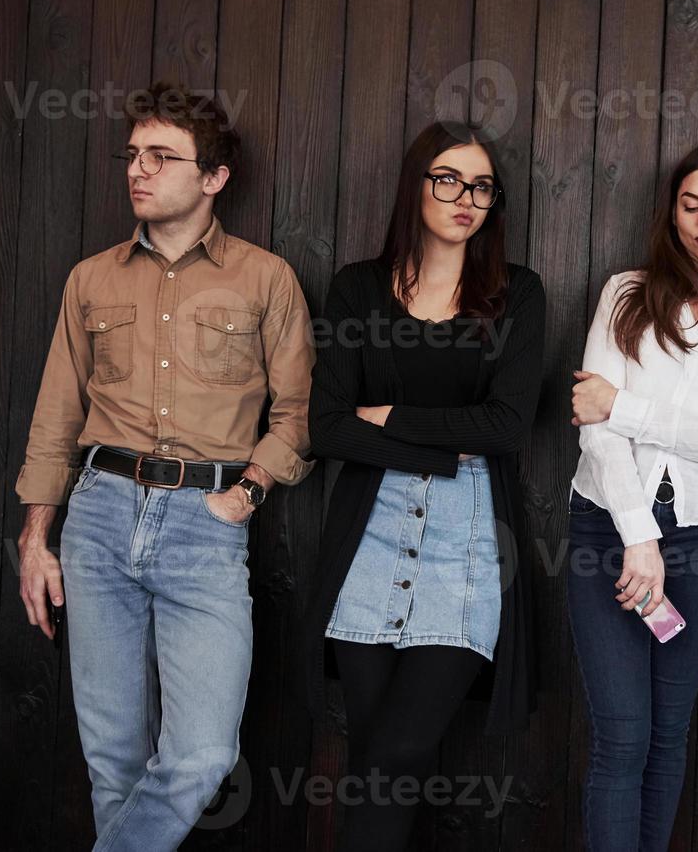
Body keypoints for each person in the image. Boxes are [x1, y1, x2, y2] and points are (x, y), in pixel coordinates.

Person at [14, 82, 315, 851]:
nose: (137, 171)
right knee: (110, 759)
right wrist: (35, 537)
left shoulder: (265, 279)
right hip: (100, 516)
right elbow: (57, 415)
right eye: (133, 155)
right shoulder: (91, 278)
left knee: (203, 753)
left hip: (206, 528)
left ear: (213, 178)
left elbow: (297, 415)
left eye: (161, 157)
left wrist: (245, 495)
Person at [299, 120, 545, 851]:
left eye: (480, 186)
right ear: (416, 185)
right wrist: (443, 447)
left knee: (396, 755)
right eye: (447, 179)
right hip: (368, 540)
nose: (464, 197)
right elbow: (327, 427)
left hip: (465, 542)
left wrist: (392, 417)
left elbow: (505, 427)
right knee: (378, 751)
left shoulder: (516, 294)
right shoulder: (357, 289)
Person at [566, 143, 698, 851]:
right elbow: (593, 436)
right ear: (671, 212)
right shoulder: (626, 293)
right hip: (606, 532)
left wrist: (619, 404)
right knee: (620, 737)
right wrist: (637, 536)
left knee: (665, 733)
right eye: (690, 204)